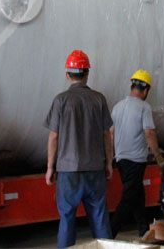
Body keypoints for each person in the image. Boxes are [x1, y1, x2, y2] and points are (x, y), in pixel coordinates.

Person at [44, 50, 114, 249]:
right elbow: (106, 134)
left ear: (67, 75)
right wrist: (109, 163)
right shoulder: (99, 99)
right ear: (87, 74)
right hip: (95, 169)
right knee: (100, 219)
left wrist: (50, 167)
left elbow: (54, 136)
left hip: (68, 172)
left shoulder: (61, 100)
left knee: (67, 219)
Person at [110, 69, 164, 238]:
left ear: (131, 86)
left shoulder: (118, 107)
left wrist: (111, 155)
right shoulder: (144, 107)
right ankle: (109, 232)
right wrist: (158, 157)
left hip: (121, 159)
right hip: (136, 160)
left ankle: (143, 228)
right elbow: (149, 133)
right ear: (146, 90)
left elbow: (111, 132)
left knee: (137, 193)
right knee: (129, 197)